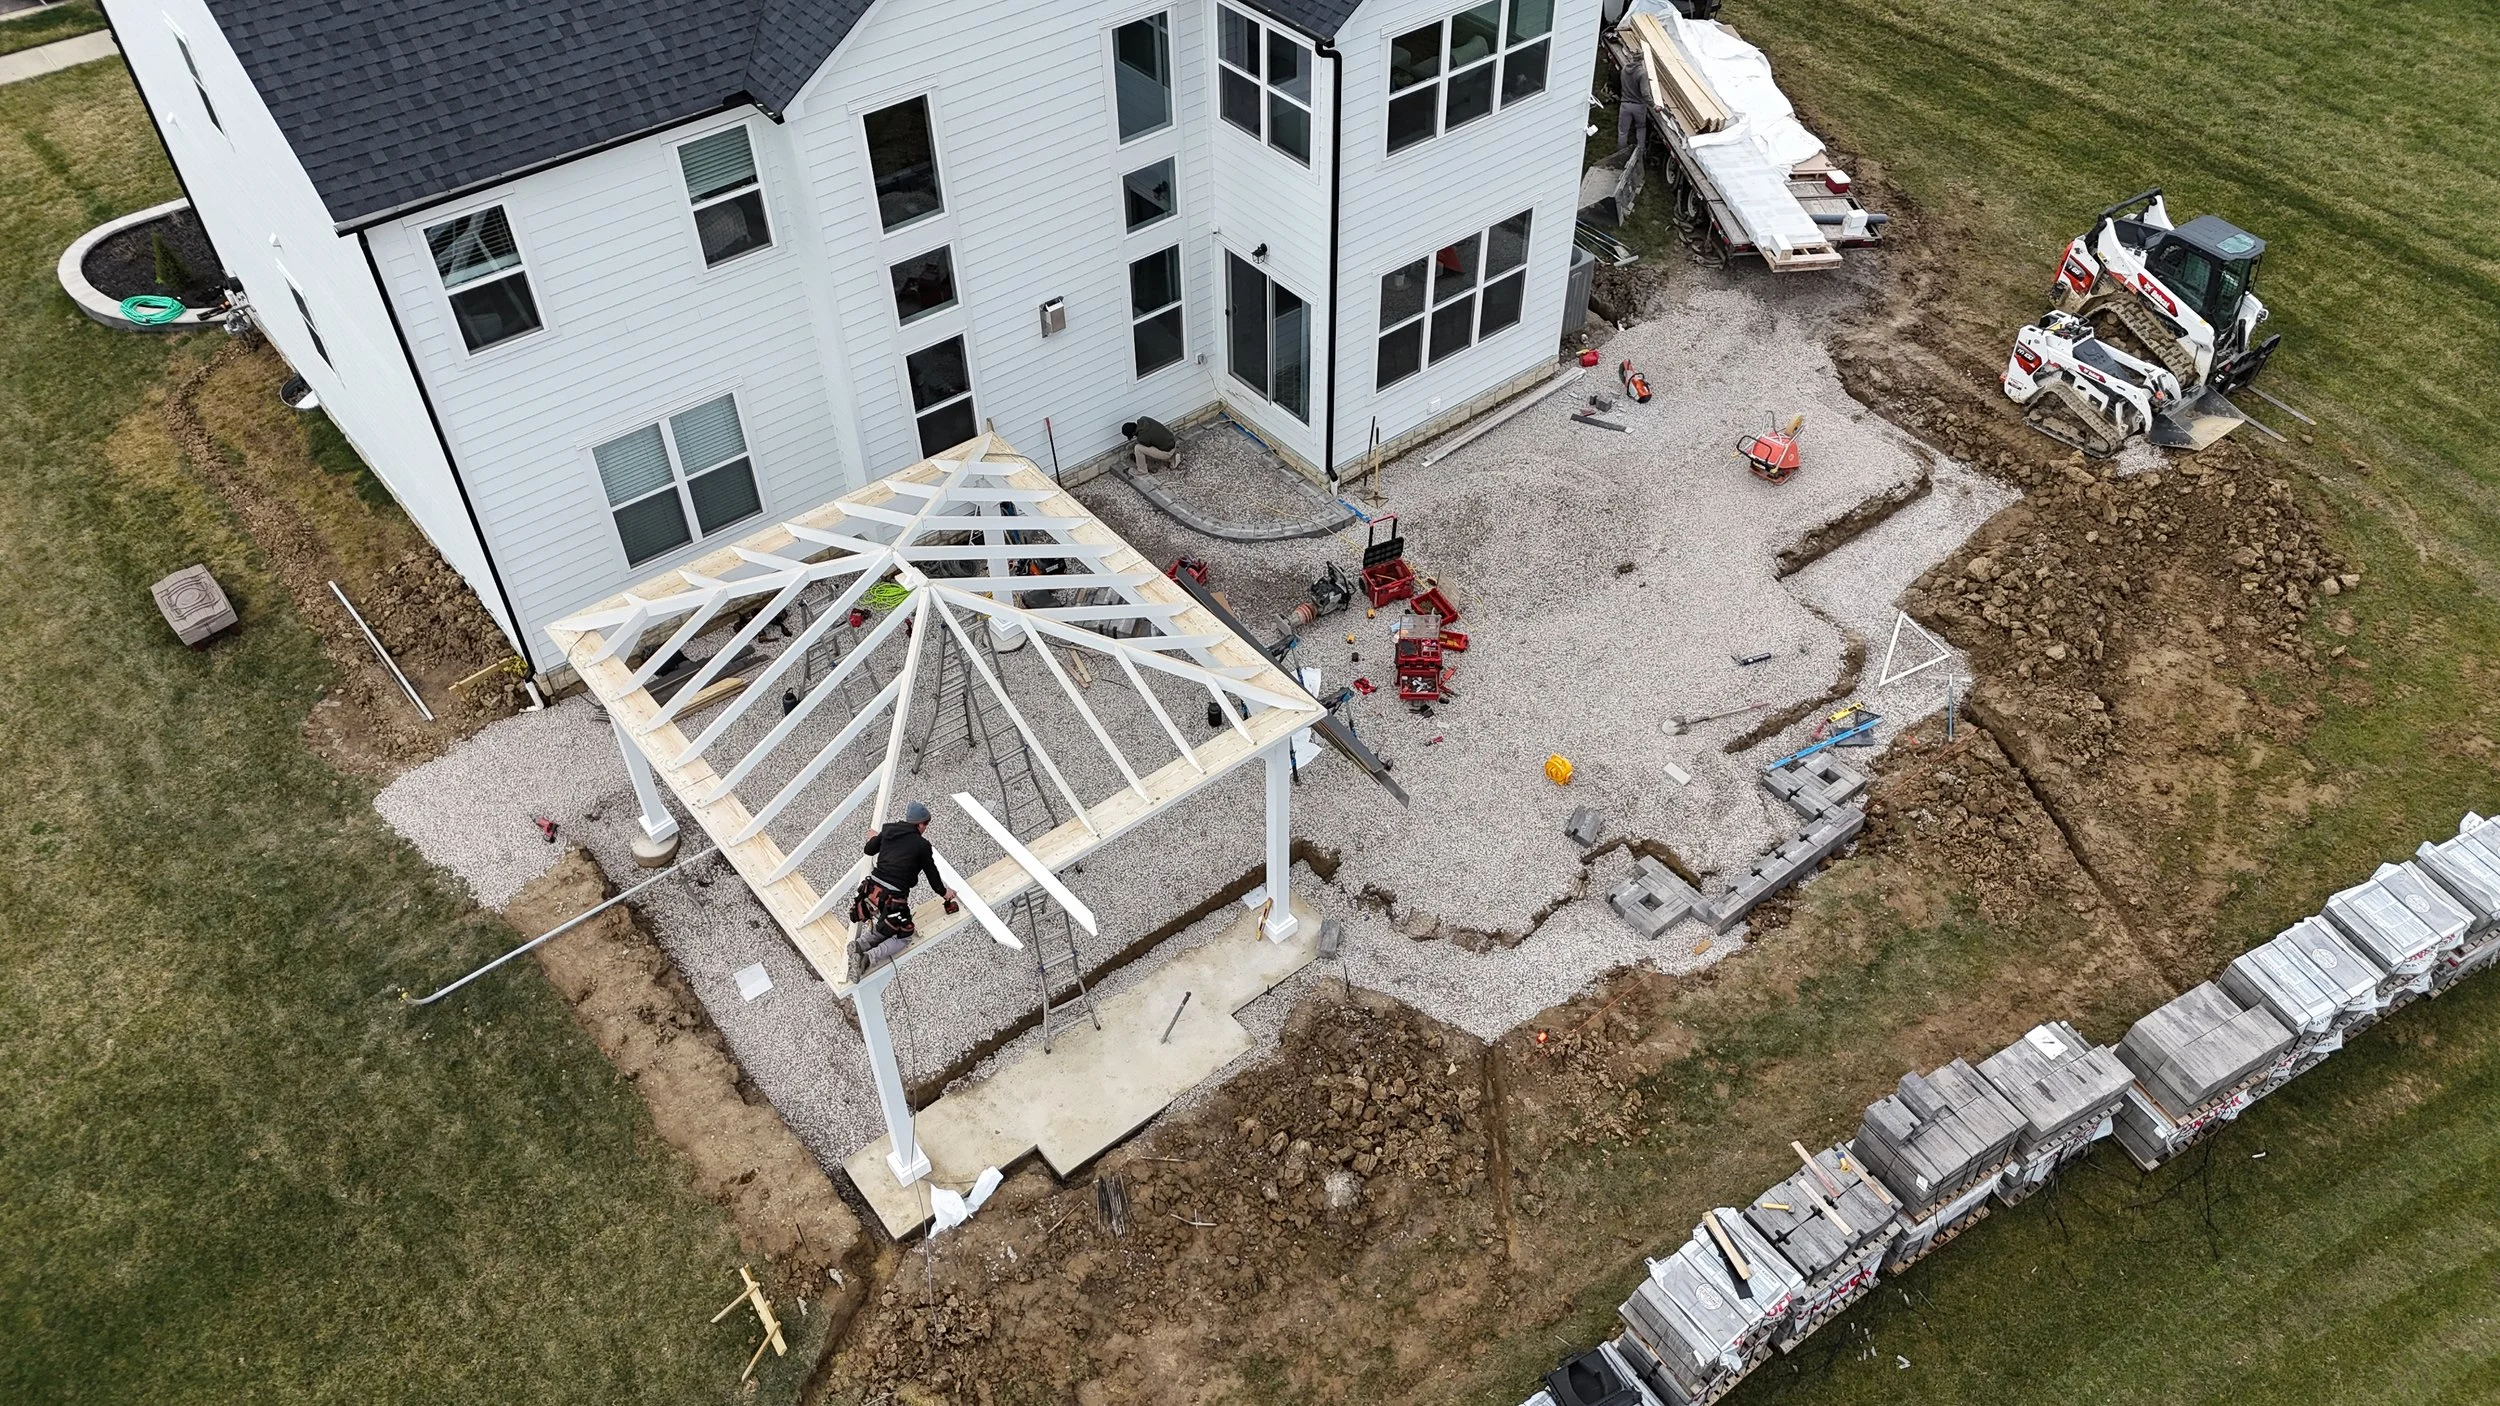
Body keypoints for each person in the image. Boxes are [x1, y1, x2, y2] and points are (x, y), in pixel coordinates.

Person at [846, 800, 959, 979]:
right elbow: (932, 874)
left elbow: (869, 850)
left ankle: (860, 944)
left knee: (888, 924)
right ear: (918, 824)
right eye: (926, 824)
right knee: (904, 934)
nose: (926, 828)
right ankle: (866, 958)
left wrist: (878, 838)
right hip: (893, 899)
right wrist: (945, 893)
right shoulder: (922, 846)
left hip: (872, 890)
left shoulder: (889, 829)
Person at [1616, 47, 1651, 154]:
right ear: (1641, 59)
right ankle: (1640, 152)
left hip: (1625, 105)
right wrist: (1653, 105)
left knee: (1622, 132)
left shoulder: (1624, 69)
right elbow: (1645, 93)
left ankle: (1621, 154)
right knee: (1640, 128)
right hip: (1638, 107)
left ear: (1631, 57)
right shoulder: (1642, 73)